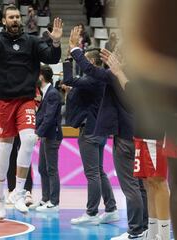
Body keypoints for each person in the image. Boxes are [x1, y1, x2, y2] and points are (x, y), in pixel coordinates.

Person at [0, 5, 62, 219]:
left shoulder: (33, 41)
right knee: (6, 147)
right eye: (11, 17)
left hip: (26, 100)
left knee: (28, 140)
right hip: (3, 101)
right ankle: (0, 196)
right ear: (4, 21)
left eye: (17, 16)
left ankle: (19, 192)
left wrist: (55, 42)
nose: (15, 20)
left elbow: (53, 59)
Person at [69, 26, 146, 240]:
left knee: (130, 186)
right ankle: (145, 227)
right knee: (140, 185)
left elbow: (92, 70)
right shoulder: (139, 73)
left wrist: (75, 49)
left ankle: (135, 231)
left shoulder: (117, 75)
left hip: (124, 136)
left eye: (117, 54)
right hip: (140, 133)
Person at [101, 49, 171, 239]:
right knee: (148, 183)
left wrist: (120, 72)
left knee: (158, 182)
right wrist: (119, 72)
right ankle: (153, 231)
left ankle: (164, 234)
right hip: (141, 132)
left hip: (154, 132)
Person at [63, 49, 119, 225]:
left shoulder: (94, 78)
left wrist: (67, 58)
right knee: (99, 171)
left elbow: (69, 80)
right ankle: (110, 209)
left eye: (85, 61)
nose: (83, 65)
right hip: (99, 129)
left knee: (92, 173)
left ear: (92, 63)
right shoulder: (98, 79)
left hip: (89, 130)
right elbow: (73, 85)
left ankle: (92, 213)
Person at [33, 65, 62, 212]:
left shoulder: (52, 94)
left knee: (51, 169)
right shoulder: (45, 93)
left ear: (41, 76)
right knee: (42, 168)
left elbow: (49, 117)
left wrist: (38, 133)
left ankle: (54, 202)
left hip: (52, 135)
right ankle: (45, 198)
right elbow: (42, 115)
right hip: (46, 135)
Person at [6, 136, 34, 207]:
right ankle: (11, 191)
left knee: (25, 155)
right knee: (11, 153)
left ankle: (27, 192)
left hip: (24, 126)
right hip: (10, 127)